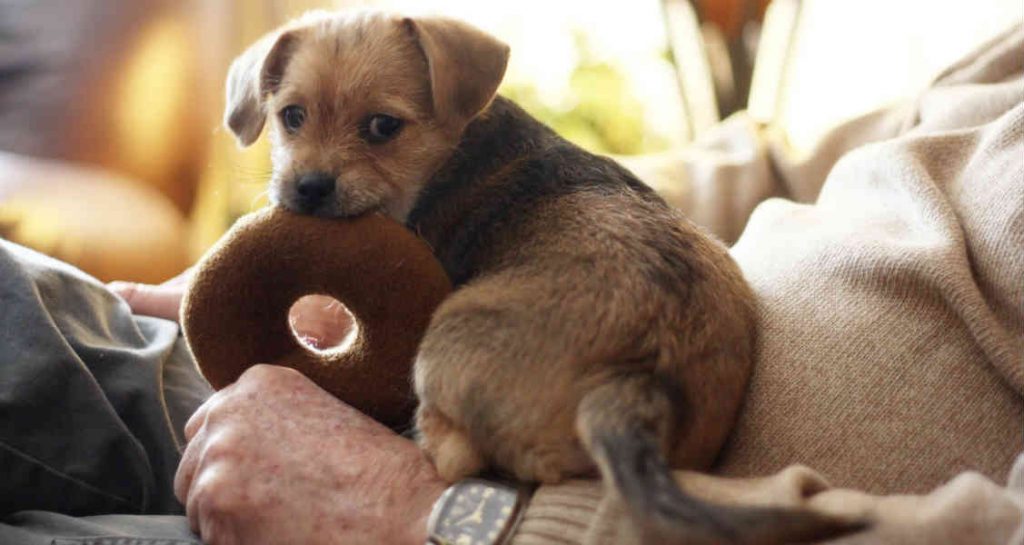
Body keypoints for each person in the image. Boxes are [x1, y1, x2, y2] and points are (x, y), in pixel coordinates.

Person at [1, 23, 1022, 545]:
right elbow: (773, 165)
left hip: (505, 497)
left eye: (376, 127)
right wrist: (327, 255)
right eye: (296, 120)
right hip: (465, 346)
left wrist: (437, 512)